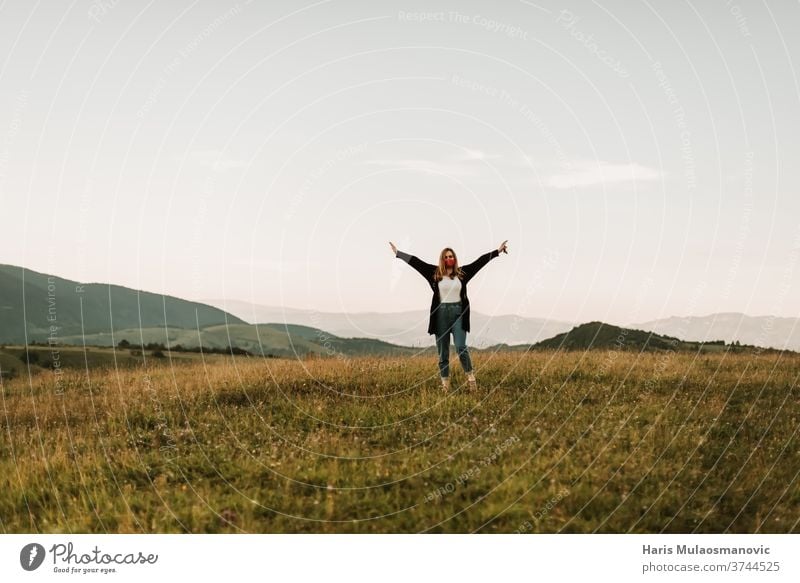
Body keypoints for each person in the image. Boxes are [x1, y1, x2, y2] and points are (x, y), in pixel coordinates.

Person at [390, 240, 508, 391]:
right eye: (445, 257)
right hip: (441, 316)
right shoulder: (434, 273)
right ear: (442, 259)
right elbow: (416, 262)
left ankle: (471, 377)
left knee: (461, 347)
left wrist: (497, 252)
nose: (448, 259)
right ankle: (445, 385)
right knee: (443, 353)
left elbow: (479, 262)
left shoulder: (462, 273)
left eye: (451, 256)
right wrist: (399, 254)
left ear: (455, 258)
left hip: (459, 314)